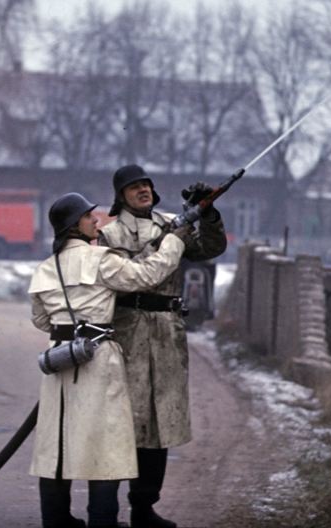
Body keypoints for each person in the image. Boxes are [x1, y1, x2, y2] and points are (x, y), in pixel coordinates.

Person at [28, 193, 193, 528]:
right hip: (99, 361)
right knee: (106, 445)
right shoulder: (102, 259)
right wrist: (174, 242)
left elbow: (41, 321)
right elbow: (147, 276)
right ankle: (102, 521)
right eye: (90, 216)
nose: (97, 220)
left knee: (55, 446)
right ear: (75, 225)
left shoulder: (46, 268)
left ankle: (56, 520)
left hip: (59, 362)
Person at [97, 165, 227, 528]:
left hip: (167, 333)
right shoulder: (109, 234)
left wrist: (209, 213)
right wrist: (168, 242)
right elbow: (123, 279)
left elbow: (210, 248)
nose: (142, 191)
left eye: (146, 185)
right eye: (133, 187)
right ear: (119, 196)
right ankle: (106, 510)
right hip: (128, 333)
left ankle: (144, 507)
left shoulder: (172, 223)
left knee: (161, 423)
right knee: (128, 420)